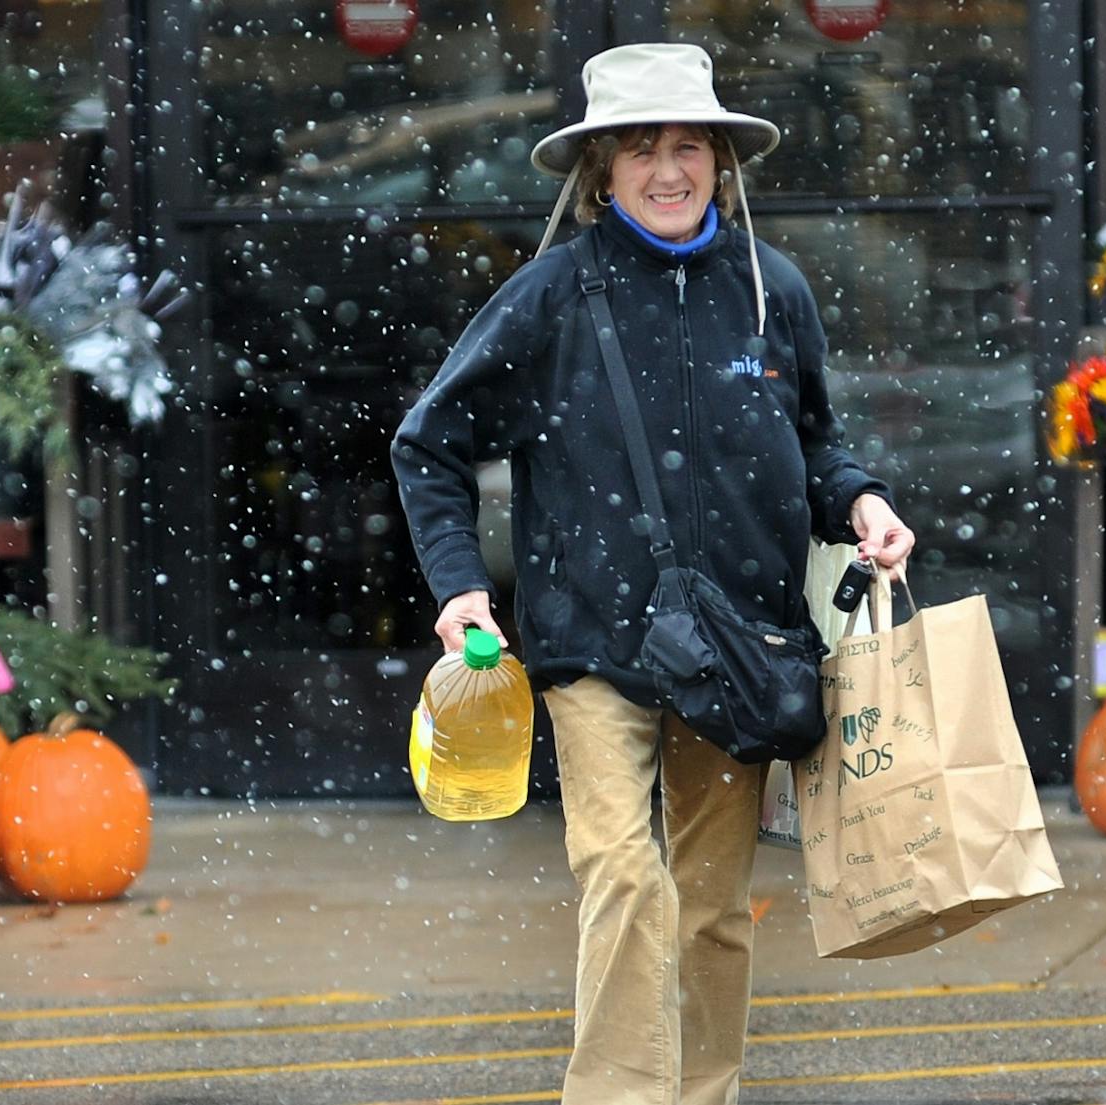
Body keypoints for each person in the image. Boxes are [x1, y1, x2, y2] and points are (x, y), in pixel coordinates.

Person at [391, 42, 913, 1105]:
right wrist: (459, 587)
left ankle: (704, 1093)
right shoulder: (549, 297)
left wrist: (861, 499)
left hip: (744, 650)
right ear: (600, 171)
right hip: (593, 642)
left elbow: (813, 442)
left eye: (687, 146)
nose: (666, 170)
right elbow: (428, 443)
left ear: (721, 159)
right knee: (624, 876)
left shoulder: (776, 293)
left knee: (714, 907)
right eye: (641, 149)